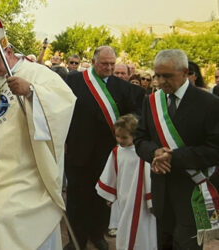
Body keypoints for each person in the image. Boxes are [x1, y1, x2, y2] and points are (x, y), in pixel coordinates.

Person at [0, 12, 76, 250]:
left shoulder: (38, 74)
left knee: (17, 227)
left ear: (9, 51)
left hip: (28, 176)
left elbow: (65, 104)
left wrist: (32, 91)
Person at [134, 49, 219, 249]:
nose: (161, 81)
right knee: (164, 241)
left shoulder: (209, 103)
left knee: (187, 243)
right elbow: (140, 139)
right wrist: (154, 153)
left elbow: (215, 149)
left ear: (185, 72)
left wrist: (173, 157)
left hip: (193, 189)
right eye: (157, 76)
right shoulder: (152, 102)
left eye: (167, 76)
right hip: (162, 188)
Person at [63, 46, 145, 250]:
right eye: (104, 63)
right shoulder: (73, 81)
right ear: (93, 62)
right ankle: (76, 239)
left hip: (108, 154)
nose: (109, 67)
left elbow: (136, 115)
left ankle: (97, 234)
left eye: (112, 64)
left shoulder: (125, 88)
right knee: (77, 199)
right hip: (78, 151)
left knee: (102, 198)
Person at [96, 114, 157, 250]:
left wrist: (151, 199)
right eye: (117, 136)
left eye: (124, 137)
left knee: (142, 228)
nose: (120, 140)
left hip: (140, 199)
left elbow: (148, 176)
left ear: (135, 135)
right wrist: (110, 196)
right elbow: (111, 173)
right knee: (124, 227)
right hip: (123, 197)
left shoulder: (142, 152)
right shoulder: (117, 152)